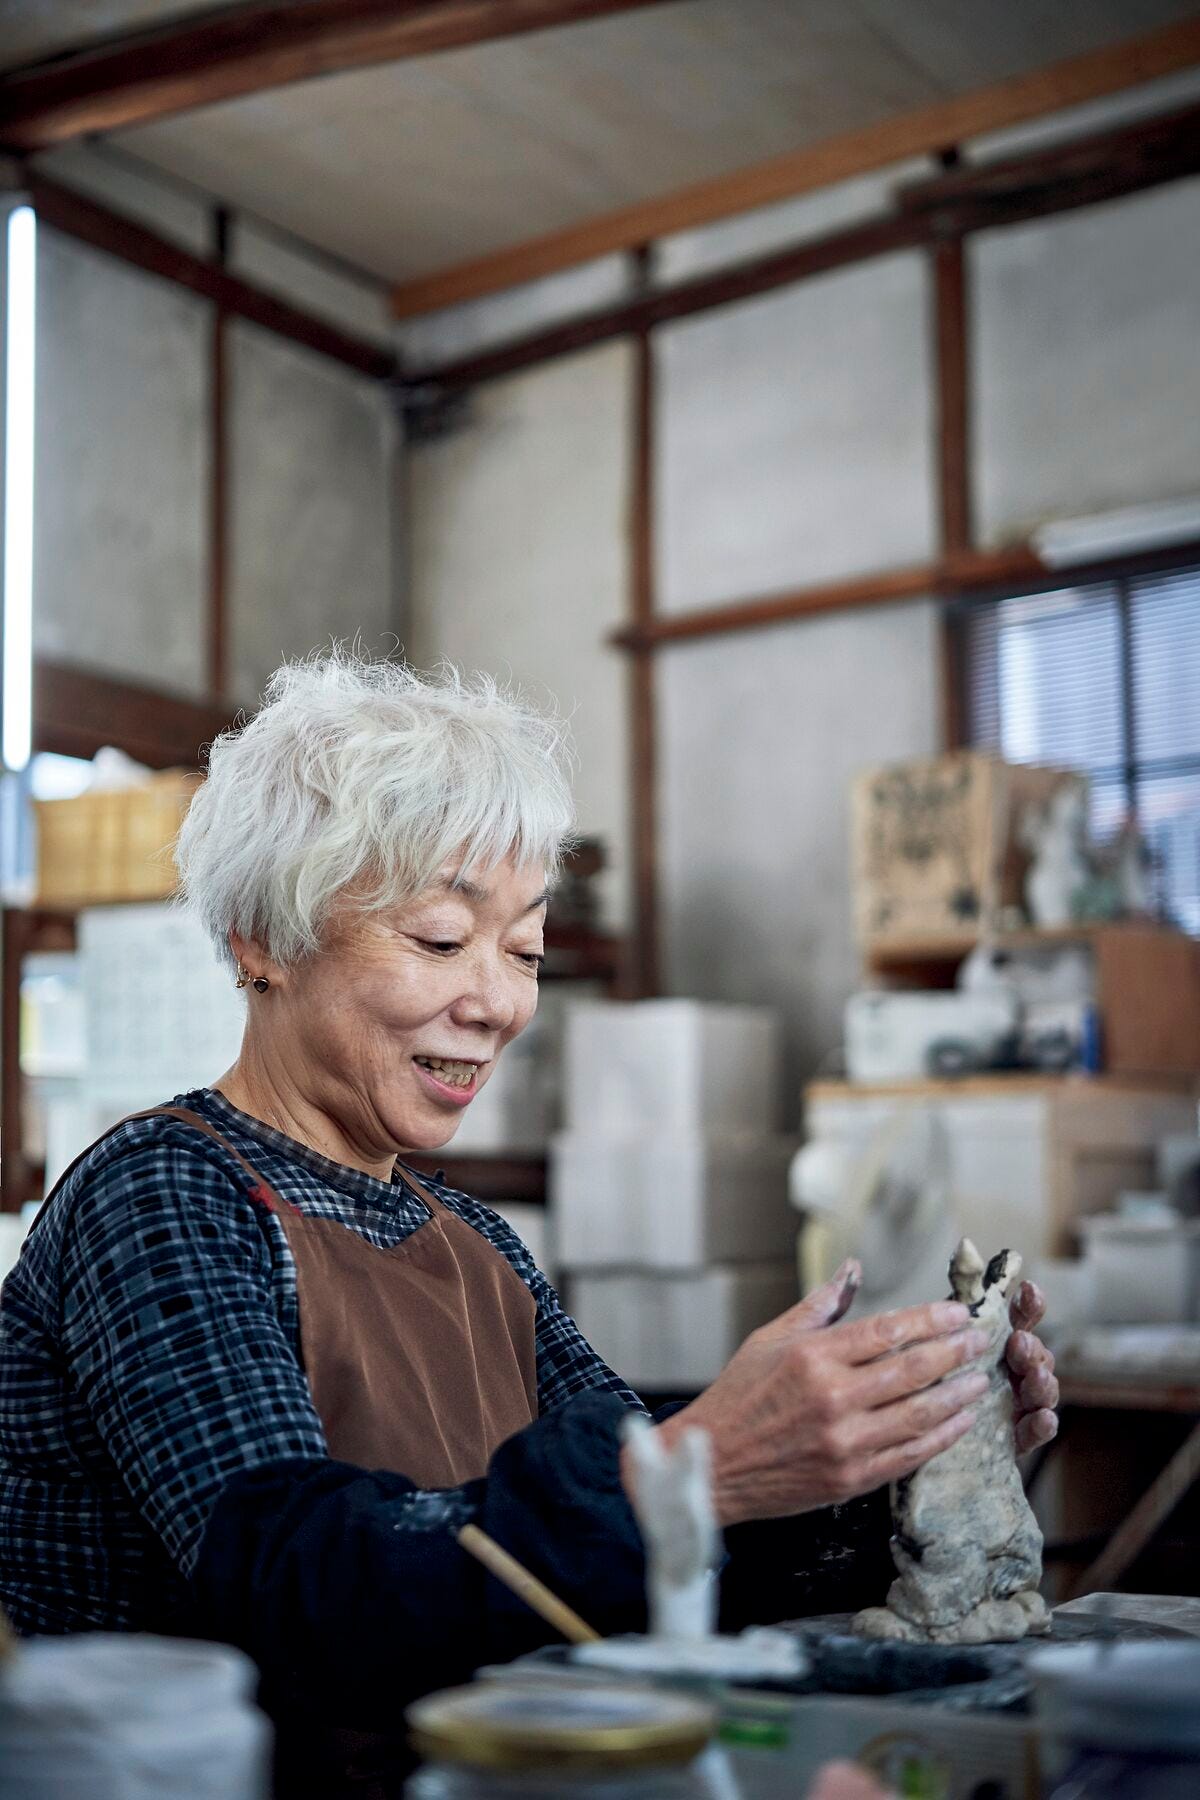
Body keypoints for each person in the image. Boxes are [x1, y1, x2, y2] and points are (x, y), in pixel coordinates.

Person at [0, 655, 1058, 1795]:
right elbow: (297, 1584)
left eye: (524, 951)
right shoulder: (166, 1192)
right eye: (444, 940)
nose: (500, 1001)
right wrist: (698, 1465)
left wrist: (891, 1466)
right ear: (263, 938)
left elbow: (631, 1543)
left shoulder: (471, 1240)